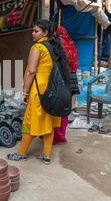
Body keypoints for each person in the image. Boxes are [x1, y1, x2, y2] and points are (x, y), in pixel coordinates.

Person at [7, 20, 70, 164]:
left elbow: (31, 71)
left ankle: (21, 153)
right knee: (48, 123)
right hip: (51, 90)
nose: (33, 34)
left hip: (38, 91)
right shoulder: (53, 46)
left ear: (45, 32)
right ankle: (46, 155)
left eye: (36, 31)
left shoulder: (38, 47)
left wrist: (25, 92)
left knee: (29, 121)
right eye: (33, 30)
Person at [53, 26, 79, 144]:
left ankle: (56, 136)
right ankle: (61, 135)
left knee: (57, 107)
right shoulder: (70, 42)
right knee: (64, 107)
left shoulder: (58, 41)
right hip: (71, 77)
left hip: (61, 77)